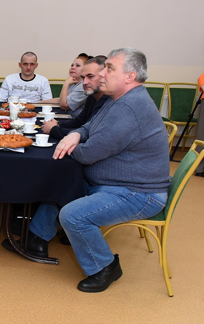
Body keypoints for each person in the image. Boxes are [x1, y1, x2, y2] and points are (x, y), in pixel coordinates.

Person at [18, 48, 170, 293]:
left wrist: (69, 144)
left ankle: (105, 267)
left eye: (110, 68)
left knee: (74, 215)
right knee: (64, 183)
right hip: (116, 183)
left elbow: (88, 154)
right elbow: (90, 126)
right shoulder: (119, 99)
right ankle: (37, 240)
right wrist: (77, 134)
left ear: (130, 76)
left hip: (138, 193)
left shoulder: (129, 108)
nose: (102, 74)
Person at [42, 56, 109, 140]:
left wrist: (54, 130)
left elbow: (87, 134)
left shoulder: (108, 101)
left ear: (104, 77)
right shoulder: (92, 96)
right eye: (83, 78)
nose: (84, 82)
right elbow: (79, 121)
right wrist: (58, 124)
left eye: (90, 77)